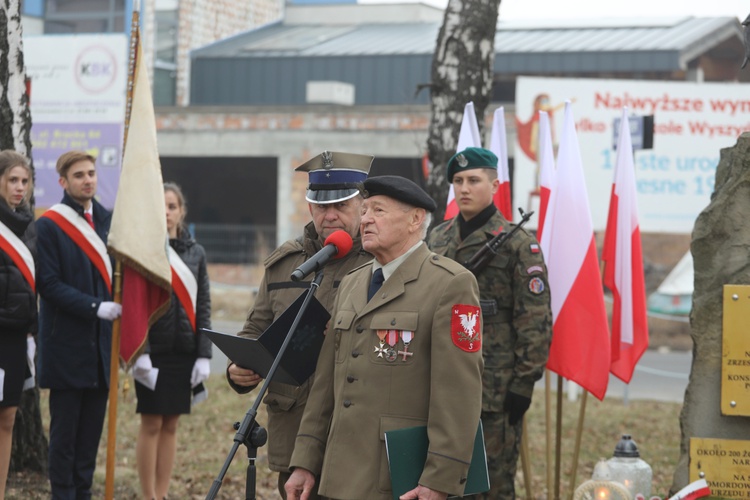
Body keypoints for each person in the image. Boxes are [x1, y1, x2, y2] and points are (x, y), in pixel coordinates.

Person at [285, 175, 484, 500]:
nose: (365, 219)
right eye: (364, 211)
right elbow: (326, 383)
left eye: (378, 210)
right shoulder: (352, 282)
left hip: (398, 476)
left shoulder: (450, 284)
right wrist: (305, 460)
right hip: (338, 473)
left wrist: (440, 478)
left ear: (415, 219)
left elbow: (458, 395)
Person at [227, 151, 374, 499]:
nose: (330, 215)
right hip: (293, 427)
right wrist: (238, 369)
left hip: (355, 426)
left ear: (362, 205)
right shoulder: (285, 264)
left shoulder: (378, 263)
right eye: (322, 206)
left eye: (341, 205)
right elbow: (254, 330)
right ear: (310, 208)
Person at [427, 147, 553, 500]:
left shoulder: (518, 245)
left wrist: (523, 384)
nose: (464, 188)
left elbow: (535, 319)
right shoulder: (437, 239)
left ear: (494, 184)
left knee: (492, 485)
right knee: (439, 481)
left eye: (473, 180)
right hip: (440, 380)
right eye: (458, 181)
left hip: (494, 387)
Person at [36, 150, 122, 500]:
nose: (88, 180)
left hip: (100, 351)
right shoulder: (48, 225)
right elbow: (49, 284)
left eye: (91, 173)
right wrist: (93, 307)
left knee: (89, 441)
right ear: (63, 182)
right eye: (79, 175)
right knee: (65, 441)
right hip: (66, 348)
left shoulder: (109, 222)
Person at [132, 182, 212, 500]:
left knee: (172, 424)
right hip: (153, 353)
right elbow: (137, 305)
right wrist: (141, 353)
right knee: (151, 422)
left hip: (185, 352)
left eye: (172, 207)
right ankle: (148, 494)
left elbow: (203, 304)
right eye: (160, 207)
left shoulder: (197, 253)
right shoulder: (143, 250)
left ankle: (162, 494)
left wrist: (204, 354)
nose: (166, 213)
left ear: (182, 212)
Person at [0, 151, 36, 500]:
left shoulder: (28, 226)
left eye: (24, 181)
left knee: (8, 417)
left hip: (15, 339)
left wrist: (31, 331)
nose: (19, 188)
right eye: (12, 180)